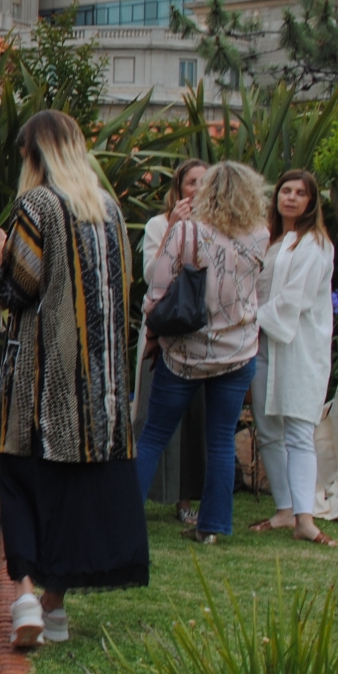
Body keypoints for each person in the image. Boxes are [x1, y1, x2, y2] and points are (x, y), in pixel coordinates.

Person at [0, 111, 146, 649]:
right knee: (73, 498)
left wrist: (0, 253)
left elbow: (18, 288)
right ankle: (54, 611)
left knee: (18, 482)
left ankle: (27, 595)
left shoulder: (38, 205)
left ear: (35, 155)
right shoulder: (110, 209)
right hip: (97, 393)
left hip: (40, 384)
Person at [135, 160, 269, 545]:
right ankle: (212, 527)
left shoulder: (186, 232)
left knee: (154, 434)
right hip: (239, 349)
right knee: (222, 439)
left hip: (187, 352)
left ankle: (124, 519)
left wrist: (155, 334)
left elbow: (157, 295)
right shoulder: (260, 233)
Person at [247, 168, 338, 545]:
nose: (291, 197)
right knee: (268, 429)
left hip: (298, 346)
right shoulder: (270, 241)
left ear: (311, 202)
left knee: (299, 430)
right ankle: (285, 509)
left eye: (300, 193)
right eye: (285, 190)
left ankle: (305, 519)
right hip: (264, 343)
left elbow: (294, 302)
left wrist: (249, 317)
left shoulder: (315, 245)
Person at [136, 160, 209, 524]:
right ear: (179, 188)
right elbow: (151, 275)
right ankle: (141, 497)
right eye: (191, 182)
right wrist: (175, 231)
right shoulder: (158, 224)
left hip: (202, 333)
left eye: (204, 182)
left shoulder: (219, 228)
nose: (197, 188)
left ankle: (185, 501)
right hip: (163, 328)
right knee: (153, 414)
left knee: (196, 418)